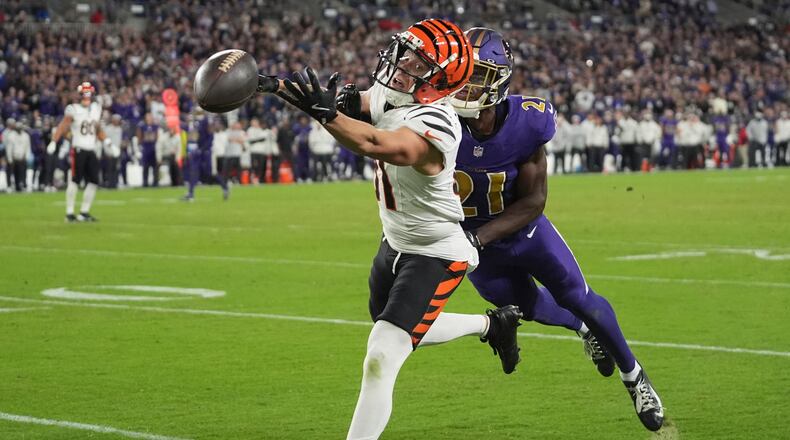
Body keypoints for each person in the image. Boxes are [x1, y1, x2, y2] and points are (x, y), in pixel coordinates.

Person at [264, 18, 522, 439]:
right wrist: (273, 85)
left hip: (436, 250)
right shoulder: (394, 92)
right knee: (401, 327)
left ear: (439, 81)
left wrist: (324, 114)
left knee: (382, 354)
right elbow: (349, 103)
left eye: (416, 63)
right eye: (405, 53)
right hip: (394, 241)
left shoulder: (440, 122)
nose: (402, 65)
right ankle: (492, 325)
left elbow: (376, 144)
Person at [450, 27, 664, 432]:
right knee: (528, 308)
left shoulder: (527, 122)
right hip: (475, 246)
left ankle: (635, 378)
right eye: (461, 72)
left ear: (498, 78)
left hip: (521, 232)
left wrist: (476, 238)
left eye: (475, 75)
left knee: (580, 297)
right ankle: (583, 331)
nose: (464, 84)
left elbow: (534, 202)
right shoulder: (438, 121)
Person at [51, 82, 112, 222]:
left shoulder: (96, 108)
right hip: (78, 149)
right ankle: (69, 213)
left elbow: (97, 129)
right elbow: (63, 126)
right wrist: (54, 141)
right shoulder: (73, 109)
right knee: (74, 181)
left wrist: (107, 141)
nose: (87, 97)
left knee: (94, 181)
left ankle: (84, 212)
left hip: (91, 149)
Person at [181, 112, 229, 201]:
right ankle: (190, 193)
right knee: (193, 171)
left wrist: (202, 149)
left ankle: (225, 187)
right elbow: (194, 136)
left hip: (206, 151)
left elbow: (210, 138)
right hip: (199, 150)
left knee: (210, 173)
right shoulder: (197, 122)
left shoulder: (208, 121)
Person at [4, 118, 30, 192]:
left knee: (22, 173)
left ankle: (22, 185)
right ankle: (9, 186)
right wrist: (10, 158)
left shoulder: (25, 135)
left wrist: (26, 156)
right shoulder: (11, 135)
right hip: (13, 157)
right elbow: (9, 148)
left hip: (22, 157)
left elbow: (27, 147)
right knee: (11, 172)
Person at [137, 113, 159, 187]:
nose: (149, 118)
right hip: (146, 148)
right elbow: (139, 136)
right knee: (145, 166)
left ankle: (155, 182)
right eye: (148, 117)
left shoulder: (155, 126)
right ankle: (145, 182)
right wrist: (140, 144)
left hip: (153, 148)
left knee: (155, 167)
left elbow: (157, 135)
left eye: (150, 117)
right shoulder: (142, 126)